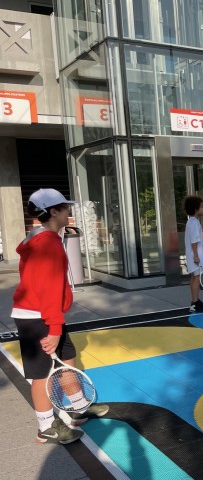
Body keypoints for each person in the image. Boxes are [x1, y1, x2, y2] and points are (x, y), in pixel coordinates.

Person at [11, 189, 109, 444]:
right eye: (65, 208)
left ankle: (78, 408)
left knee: (67, 359)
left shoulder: (40, 238)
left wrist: (56, 324)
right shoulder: (49, 243)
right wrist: (54, 328)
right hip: (37, 318)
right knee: (41, 373)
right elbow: (48, 289)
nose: (69, 212)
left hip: (43, 314)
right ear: (54, 211)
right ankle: (46, 427)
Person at [184, 196, 203, 312]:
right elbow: (194, 241)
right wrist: (196, 256)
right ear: (196, 209)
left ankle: (196, 300)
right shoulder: (193, 223)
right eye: (201, 206)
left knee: (195, 278)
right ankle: (194, 303)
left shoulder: (192, 221)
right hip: (195, 255)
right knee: (196, 278)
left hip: (195, 254)